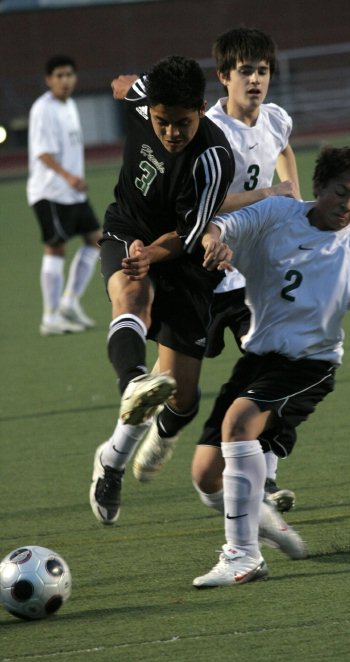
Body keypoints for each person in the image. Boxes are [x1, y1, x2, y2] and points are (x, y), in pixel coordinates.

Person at [191, 146, 350, 588]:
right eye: (340, 193)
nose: (348, 206)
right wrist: (214, 238)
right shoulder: (276, 214)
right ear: (318, 187)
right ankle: (265, 522)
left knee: (239, 423)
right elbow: (226, 223)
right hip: (260, 357)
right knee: (206, 477)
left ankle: (243, 555)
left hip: (310, 364)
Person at [133, 28, 300, 513]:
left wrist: (290, 186)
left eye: (262, 71)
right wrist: (269, 194)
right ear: (223, 77)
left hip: (255, 276)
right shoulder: (209, 132)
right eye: (244, 71)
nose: (255, 80)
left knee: (278, 367)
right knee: (179, 392)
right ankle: (163, 433)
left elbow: (283, 148)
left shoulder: (276, 119)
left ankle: (262, 474)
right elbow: (199, 205)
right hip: (202, 273)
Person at [89, 56, 235, 525]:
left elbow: (189, 236)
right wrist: (127, 84)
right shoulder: (143, 99)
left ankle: (151, 432)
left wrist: (151, 252)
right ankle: (116, 442)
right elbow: (120, 83)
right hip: (125, 228)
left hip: (180, 258)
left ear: (203, 109)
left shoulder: (214, 159)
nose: (171, 132)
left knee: (182, 398)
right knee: (131, 297)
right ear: (149, 108)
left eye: (183, 123)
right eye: (161, 122)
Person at [27, 54, 102, 336]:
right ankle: (50, 316)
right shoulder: (42, 109)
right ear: (49, 80)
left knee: (96, 240)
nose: (65, 80)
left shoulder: (69, 105)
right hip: (51, 191)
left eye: (69, 74)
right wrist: (69, 176)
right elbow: (42, 152)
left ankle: (69, 302)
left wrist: (75, 180)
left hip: (73, 192)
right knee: (56, 248)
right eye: (59, 75)